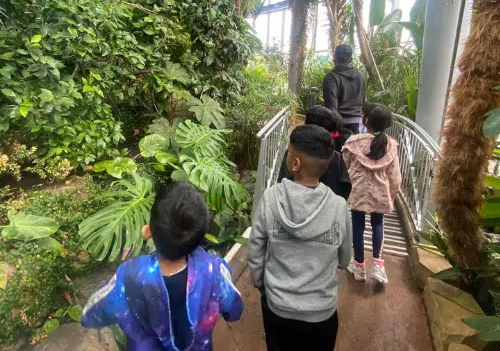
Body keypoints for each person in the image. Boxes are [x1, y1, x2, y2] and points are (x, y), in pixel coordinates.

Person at [81, 182, 243, 350]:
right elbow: (234, 309)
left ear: (148, 231)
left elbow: (94, 311)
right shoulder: (214, 271)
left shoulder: (129, 276)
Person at [249, 124, 352, 351]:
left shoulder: (270, 199)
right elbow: (344, 259)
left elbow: (255, 249)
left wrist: (262, 284)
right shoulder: (338, 207)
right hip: (321, 312)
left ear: (295, 163)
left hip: (278, 307)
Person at [343, 104, 402, 285]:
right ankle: (378, 265)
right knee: (378, 224)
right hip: (381, 192)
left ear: (365, 120)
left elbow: (344, 166)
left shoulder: (354, 142)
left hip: (357, 191)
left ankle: (359, 266)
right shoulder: (391, 145)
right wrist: (391, 196)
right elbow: (395, 177)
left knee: (357, 226)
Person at [277, 105, 352, 201]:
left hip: (293, 203)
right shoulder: (336, 157)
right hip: (327, 206)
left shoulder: (293, 152)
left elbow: (283, 180)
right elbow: (345, 187)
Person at [323, 44, 366, 135]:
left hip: (337, 124)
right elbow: (362, 100)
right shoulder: (360, 76)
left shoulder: (331, 77)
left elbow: (331, 105)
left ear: (334, 59)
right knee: (352, 144)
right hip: (356, 122)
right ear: (350, 60)